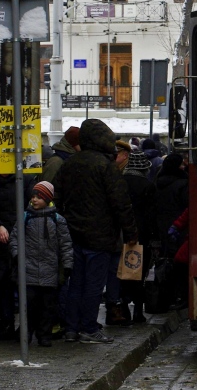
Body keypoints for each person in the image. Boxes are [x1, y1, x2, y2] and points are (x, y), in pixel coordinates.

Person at [53, 119, 137, 344]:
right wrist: (130, 233)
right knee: (93, 285)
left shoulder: (69, 164)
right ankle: (89, 328)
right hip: (101, 237)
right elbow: (121, 203)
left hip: (73, 234)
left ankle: (71, 328)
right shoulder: (106, 167)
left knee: (75, 284)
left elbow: (57, 198)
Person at [0, 146, 35, 340]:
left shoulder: (25, 180)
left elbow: (31, 205)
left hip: (23, 234)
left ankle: (26, 326)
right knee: (1, 281)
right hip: (2, 237)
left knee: (23, 281)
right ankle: (5, 321)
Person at [15, 182, 74, 347]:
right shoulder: (26, 217)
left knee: (48, 306)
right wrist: (17, 255)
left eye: (39, 197)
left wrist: (67, 264)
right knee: (30, 305)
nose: (34, 200)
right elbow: (15, 238)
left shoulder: (57, 220)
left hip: (49, 270)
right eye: (33, 196)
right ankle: (27, 332)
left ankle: (44, 335)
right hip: (29, 269)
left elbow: (65, 244)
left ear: (47, 199)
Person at [101, 140, 134, 328]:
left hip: (114, 232)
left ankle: (115, 306)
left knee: (116, 271)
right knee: (111, 271)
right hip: (110, 232)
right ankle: (113, 307)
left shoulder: (122, 174)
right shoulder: (112, 174)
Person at [122, 148, 158, 322]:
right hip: (141, 235)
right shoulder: (148, 186)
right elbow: (152, 214)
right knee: (139, 274)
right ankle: (137, 311)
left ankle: (122, 309)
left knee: (122, 273)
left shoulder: (120, 182)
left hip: (120, 234)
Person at [154, 153, 190, 310]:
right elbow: (188, 206)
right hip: (178, 228)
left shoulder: (157, 182)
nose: (184, 167)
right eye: (181, 164)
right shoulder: (184, 183)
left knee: (164, 262)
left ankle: (164, 297)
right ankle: (180, 295)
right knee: (180, 263)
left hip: (161, 227)